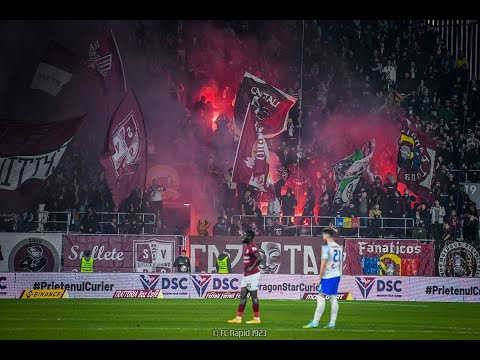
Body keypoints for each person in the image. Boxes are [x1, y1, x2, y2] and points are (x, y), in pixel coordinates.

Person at [303, 227, 342, 329]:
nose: (322, 237)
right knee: (333, 298)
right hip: (336, 274)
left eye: (323, 235)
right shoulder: (338, 247)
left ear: (325, 235)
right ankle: (332, 323)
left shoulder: (327, 248)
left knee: (320, 296)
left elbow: (323, 264)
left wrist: (319, 278)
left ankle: (315, 322)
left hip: (328, 276)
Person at [228, 230, 262, 324]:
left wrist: (252, 267)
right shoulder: (247, 246)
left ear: (250, 237)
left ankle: (256, 319)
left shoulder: (252, 246)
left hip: (253, 275)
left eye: (244, 235)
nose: (242, 237)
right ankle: (238, 318)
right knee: (243, 295)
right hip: (246, 275)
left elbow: (259, 258)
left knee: (254, 296)